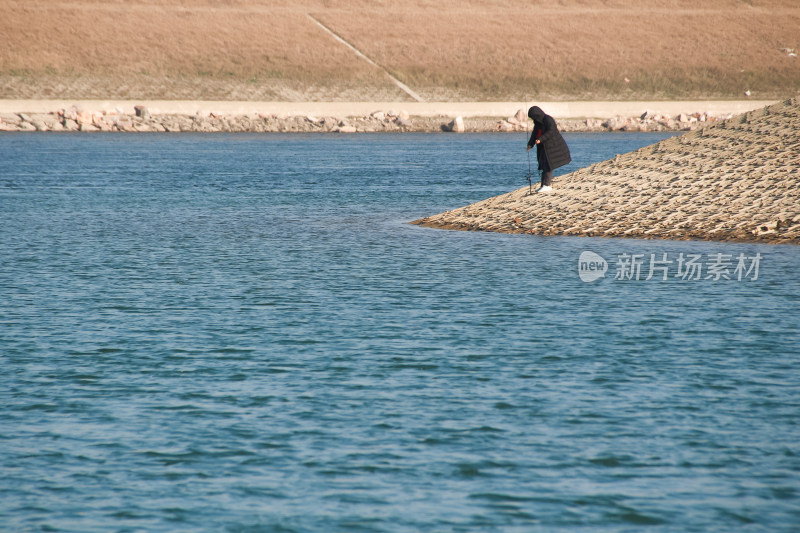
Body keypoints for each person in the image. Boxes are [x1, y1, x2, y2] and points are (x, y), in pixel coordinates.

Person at [526, 106, 571, 192]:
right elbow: (535, 133)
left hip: (553, 146)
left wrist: (541, 139)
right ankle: (543, 185)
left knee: (548, 166)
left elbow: (551, 130)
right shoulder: (537, 123)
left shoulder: (548, 119)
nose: (533, 119)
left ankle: (547, 185)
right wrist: (530, 144)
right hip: (543, 147)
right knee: (543, 165)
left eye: (533, 117)